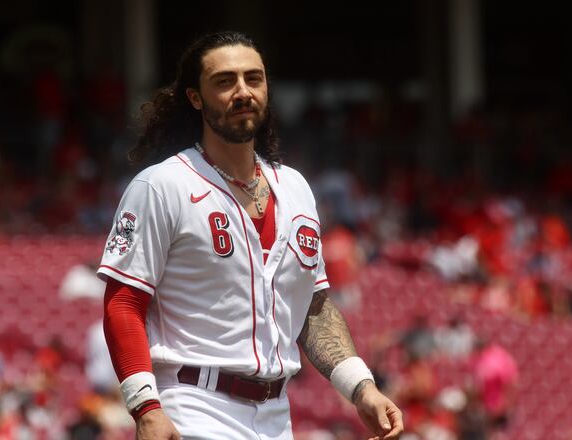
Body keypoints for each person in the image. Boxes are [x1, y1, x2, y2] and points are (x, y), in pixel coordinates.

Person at [99, 31, 403, 439]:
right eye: (224, 81)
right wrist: (145, 408)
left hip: (276, 416)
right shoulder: (161, 185)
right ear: (195, 97)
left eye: (253, 78)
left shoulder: (295, 187)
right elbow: (123, 302)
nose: (242, 91)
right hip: (193, 407)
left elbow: (312, 306)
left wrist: (361, 388)